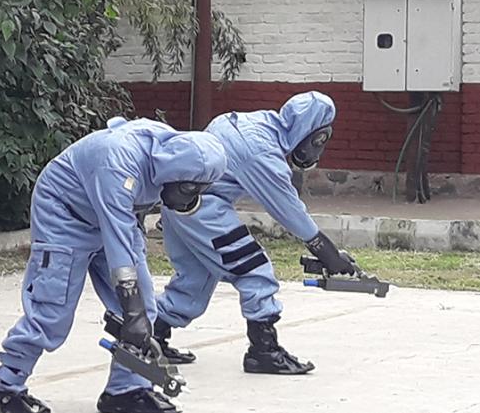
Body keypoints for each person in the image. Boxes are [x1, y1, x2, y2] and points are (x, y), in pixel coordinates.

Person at [0, 117, 227, 413]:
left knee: (146, 309)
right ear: (177, 173)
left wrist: (137, 312)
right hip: (64, 212)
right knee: (51, 309)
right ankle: (7, 391)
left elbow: (122, 229)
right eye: (191, 188)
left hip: (116, 216)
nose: (193, 197)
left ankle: (126, 392)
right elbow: (117, 240)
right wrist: (131, 307)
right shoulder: (118, 164)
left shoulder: (174, 154)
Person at [153, 91, 357, 375]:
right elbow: (290, 211)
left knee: (196, 277)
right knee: (254, 271)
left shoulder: (256, 122)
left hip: (178, 203)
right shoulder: (262, 154)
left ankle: (151, 338)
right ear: (315, 135)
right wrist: (329, 254)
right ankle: (264, 350)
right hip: (202, 208)